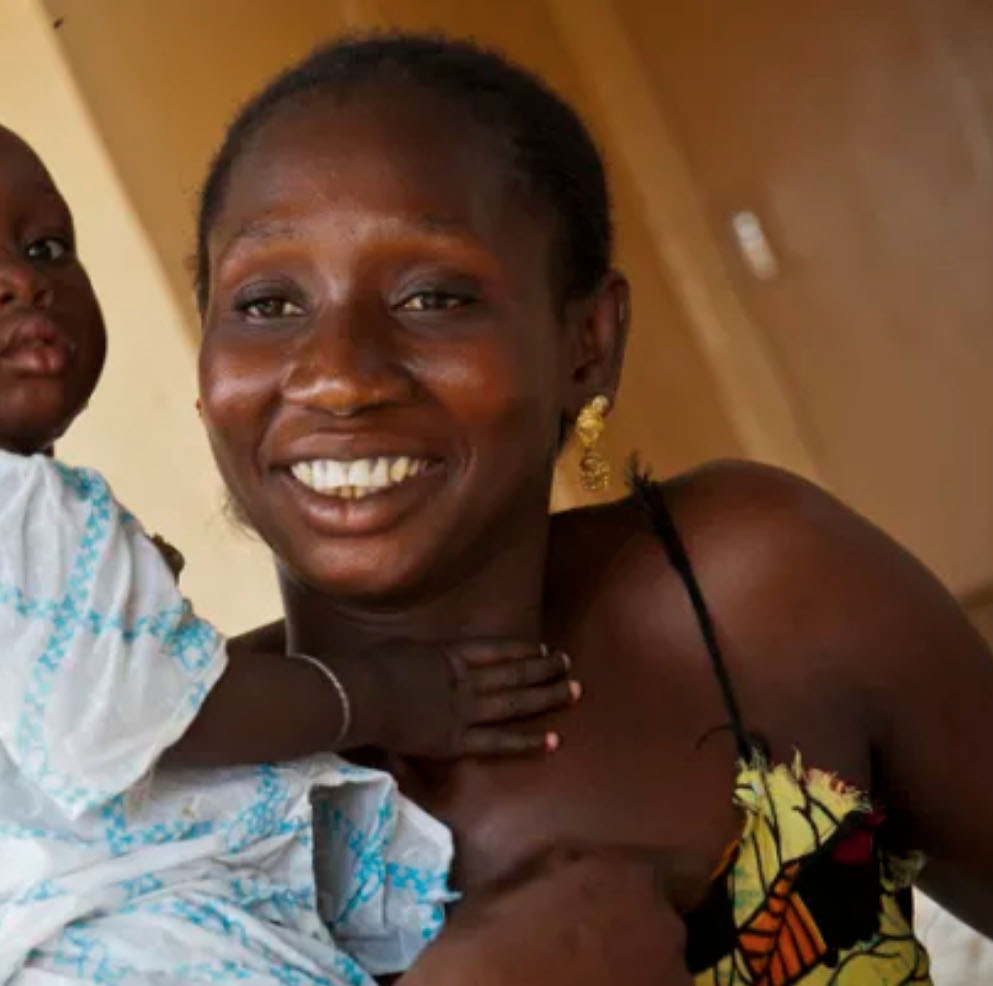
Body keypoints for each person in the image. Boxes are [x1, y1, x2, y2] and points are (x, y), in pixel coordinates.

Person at [0, 54, 580, 985]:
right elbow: (133, 724)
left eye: (44, 246)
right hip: (108, 948)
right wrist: (387, 694)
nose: (15, 279)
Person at [192, 33, 993, 986]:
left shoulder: (749, 599)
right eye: (267, 304)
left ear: (587, 342)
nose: (336, 377)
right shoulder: (153, 774)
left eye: (432, 296)